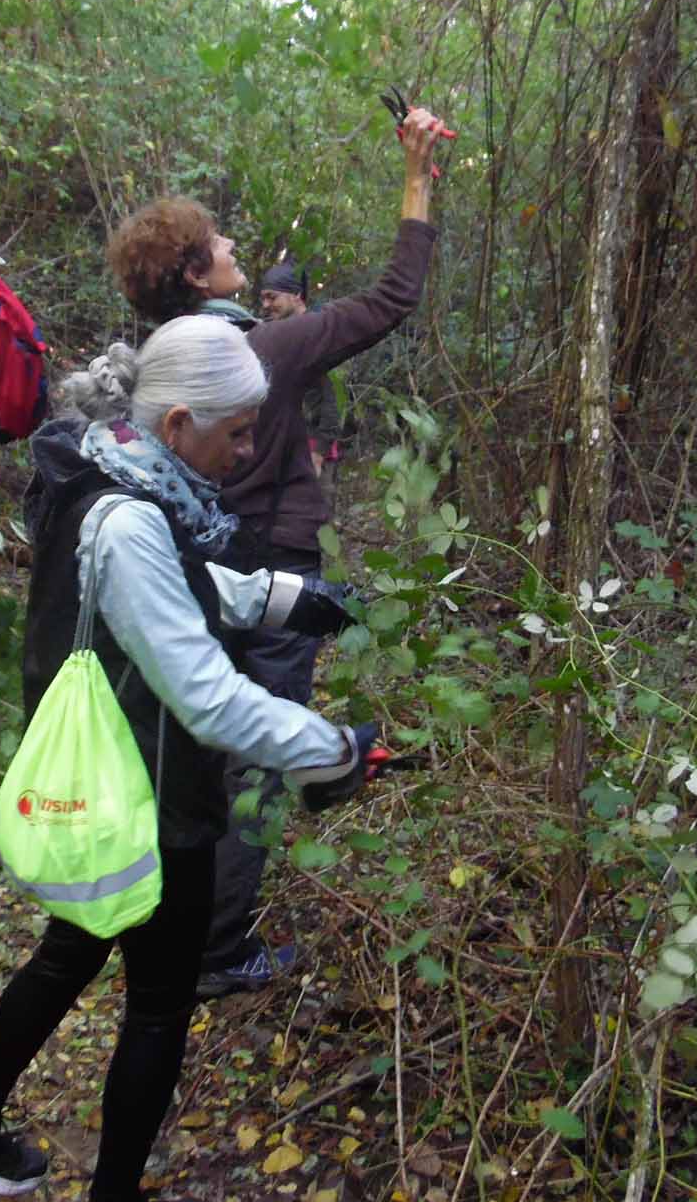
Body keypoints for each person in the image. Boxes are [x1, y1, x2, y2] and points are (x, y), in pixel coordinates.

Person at [0, 317, 375, 1202]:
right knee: (157, 1003)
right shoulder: (132, 516)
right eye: (237, 434)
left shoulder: (107, 469)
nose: (246, 452)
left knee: (68, 950)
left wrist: (284, 598)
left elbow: (173, 591)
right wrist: (335, 750)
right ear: (184, 420)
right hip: (152, 797)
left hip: (103, 785)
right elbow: (206, 692)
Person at [104, 105, 446, 998]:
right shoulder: (265, 347)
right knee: (257, 756)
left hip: (201, 570)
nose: (232, 244)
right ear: (194, 271)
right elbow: (392, 301)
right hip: (277, 568)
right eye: (217, 241)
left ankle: (184, 918)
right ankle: (220, 949)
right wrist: (416, 176)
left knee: (207, 742)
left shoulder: (160, 362)